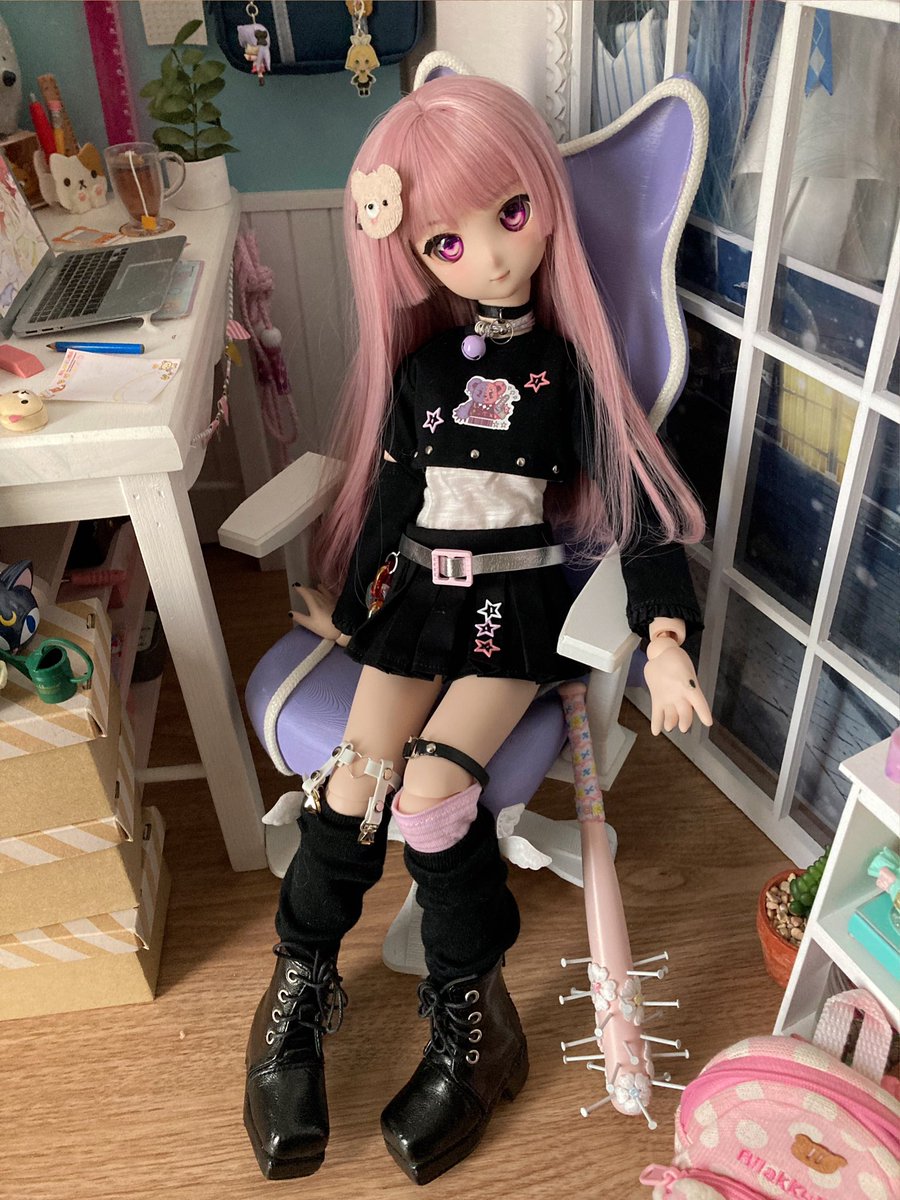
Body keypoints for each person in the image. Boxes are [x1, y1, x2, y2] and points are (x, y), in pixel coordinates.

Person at [243, 73, 713, 1186]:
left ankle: (475, 1020)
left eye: (511, 214)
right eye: (447, 242)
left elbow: (640, 505)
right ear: (414, 257)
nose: (493, 257)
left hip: (510, 607)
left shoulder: (573, 374)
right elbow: (389, 505)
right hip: (417, 600)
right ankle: (298, 983)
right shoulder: (418, 372)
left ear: (543, 203)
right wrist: (348, 609)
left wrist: (663, 637)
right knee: (354, 780)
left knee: (432, 792)